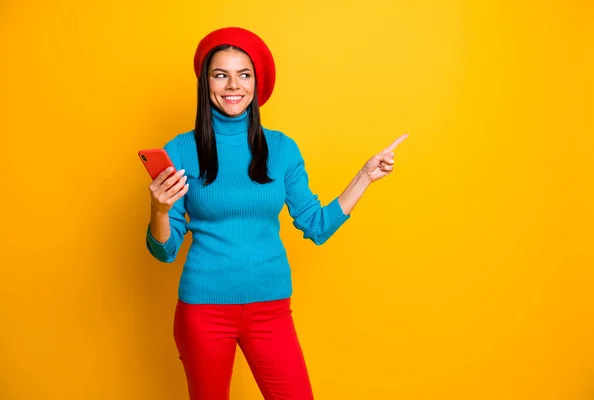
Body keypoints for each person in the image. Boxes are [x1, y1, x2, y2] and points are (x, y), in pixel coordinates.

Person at [145, 27, 408, 400]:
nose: (233, 85)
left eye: (244, 74)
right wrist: (159, 208)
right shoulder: (181, 149)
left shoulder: (282, 149)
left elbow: (316, 226)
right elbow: (164, 249)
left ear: (257, 83)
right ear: (206, 84)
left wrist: (365, 176)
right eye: (221, 75)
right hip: (203, 312)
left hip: (270, 311)